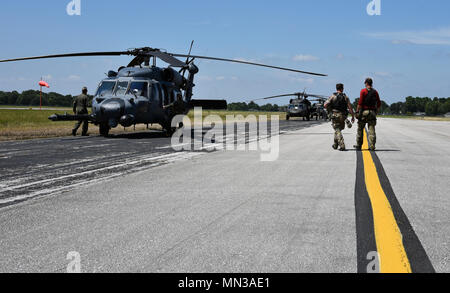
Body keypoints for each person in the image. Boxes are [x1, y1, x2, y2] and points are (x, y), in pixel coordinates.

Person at [324, 83, 355, 151]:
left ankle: (342, 145)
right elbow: (350, 108)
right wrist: (353, 116)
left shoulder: (332, 96)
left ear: (336, 88)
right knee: (338, 130)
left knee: (337, 130)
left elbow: (325, 105)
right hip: (343, 116)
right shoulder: (345, 97)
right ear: (342, 89)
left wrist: (330, 110)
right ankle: (335, 145)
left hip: (335, 115)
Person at [354, 78, 381, 151]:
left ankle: (359, 145)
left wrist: (357, 111)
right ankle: (372, 145)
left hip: (364, 112)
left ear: (366, 83)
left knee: (360, 129)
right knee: (371, 129)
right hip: (372, 112)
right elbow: (379, 103)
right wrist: (376, 112)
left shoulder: (363, 91)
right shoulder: (375, 92)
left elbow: (360, 103)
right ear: (371, 83)